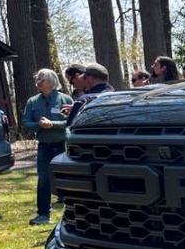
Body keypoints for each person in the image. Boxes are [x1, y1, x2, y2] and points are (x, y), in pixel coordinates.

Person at [21, 68, 72, 225]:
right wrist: (39, 125)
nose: (38, 82)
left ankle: (72, 214)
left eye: (41, 79)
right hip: (44, 147)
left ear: (51, 81)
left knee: (67, 179)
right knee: (43, 179)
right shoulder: (32, 102)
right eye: (37, 79)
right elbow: (26, 123)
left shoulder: (65, 99)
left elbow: (72, 121)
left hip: (63, 145)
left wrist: (53, 124)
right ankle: (43, 214)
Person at [64, 63, 115, 127]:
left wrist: (76, 109)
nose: (84, 82)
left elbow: (70, 126)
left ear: (90, 79)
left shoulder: (84, 100)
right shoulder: (118, 98)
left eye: (84, 78)